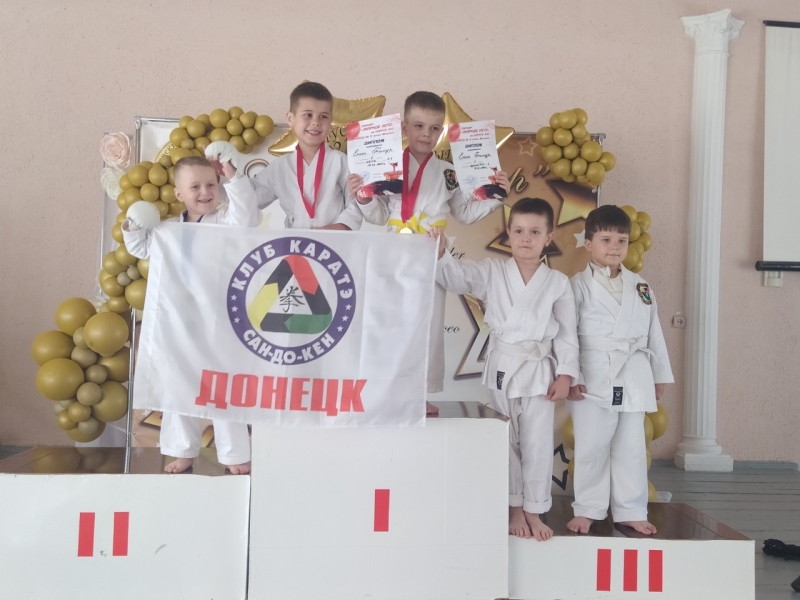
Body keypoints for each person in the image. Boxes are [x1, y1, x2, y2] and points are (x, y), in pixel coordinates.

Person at [348, 91, 509, 414]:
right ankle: (383, 391)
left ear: (442, 131)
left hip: (431, 252)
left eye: (435, 128)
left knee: (427, 326)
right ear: (404, 127)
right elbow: (379, 215)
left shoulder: (448, 171)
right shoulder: (386, 164)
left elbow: (464, 213)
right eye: (419, 126)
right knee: (389, 323)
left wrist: (496, 194)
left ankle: (417, 394)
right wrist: (364, 197)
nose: (426, 134)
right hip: (393, 253)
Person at [430, 197, 579, 541]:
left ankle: (534, 510)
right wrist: (440, 255)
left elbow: (567, 334)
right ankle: (514, 508)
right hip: (503, 367)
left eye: (535, 232)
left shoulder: (558, 283)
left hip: (539, 371)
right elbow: (458, 279)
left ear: (549, 237)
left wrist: (566, 374)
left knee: (537, 443)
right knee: (506, 439)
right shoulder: (492, 272)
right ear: (508, 234)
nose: (526, 238)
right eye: (519, 231)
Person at [122, 155, 261, 474]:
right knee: (179, 385)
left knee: (223, 387)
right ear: (178, 193)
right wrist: (133, 226)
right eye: (195, 186)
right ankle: (181, 450)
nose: (205, 192)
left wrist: (234, 178)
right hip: (179, 320)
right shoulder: (168, 229)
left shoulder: (226, 222)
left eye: (211, 184)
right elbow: (140, 248)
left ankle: (235, 454)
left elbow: (246, 216)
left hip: (219, 319)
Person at [566, 205, 673, 535]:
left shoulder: (640, 286)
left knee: (631, 447)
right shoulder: (577, 286)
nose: (614, 247)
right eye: (606, 239)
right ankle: (588, 508)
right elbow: (567, 334)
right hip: (593, 375)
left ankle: (630, 509)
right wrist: (571, 375)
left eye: (622, 241)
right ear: (589, 244)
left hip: (633, 372)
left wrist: (658, 374)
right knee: (592, 445)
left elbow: (653, 331)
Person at [208, 81, 362, 231]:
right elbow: (251, 198)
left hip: (335, 240)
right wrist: (226, 177)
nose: (315, 122)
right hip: (294, 241)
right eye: (308, 115)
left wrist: (340, 227)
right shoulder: (280, 167)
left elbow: (355, 201)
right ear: (290, 118)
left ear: (331, 120)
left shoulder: (340, 161)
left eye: (323, 116)